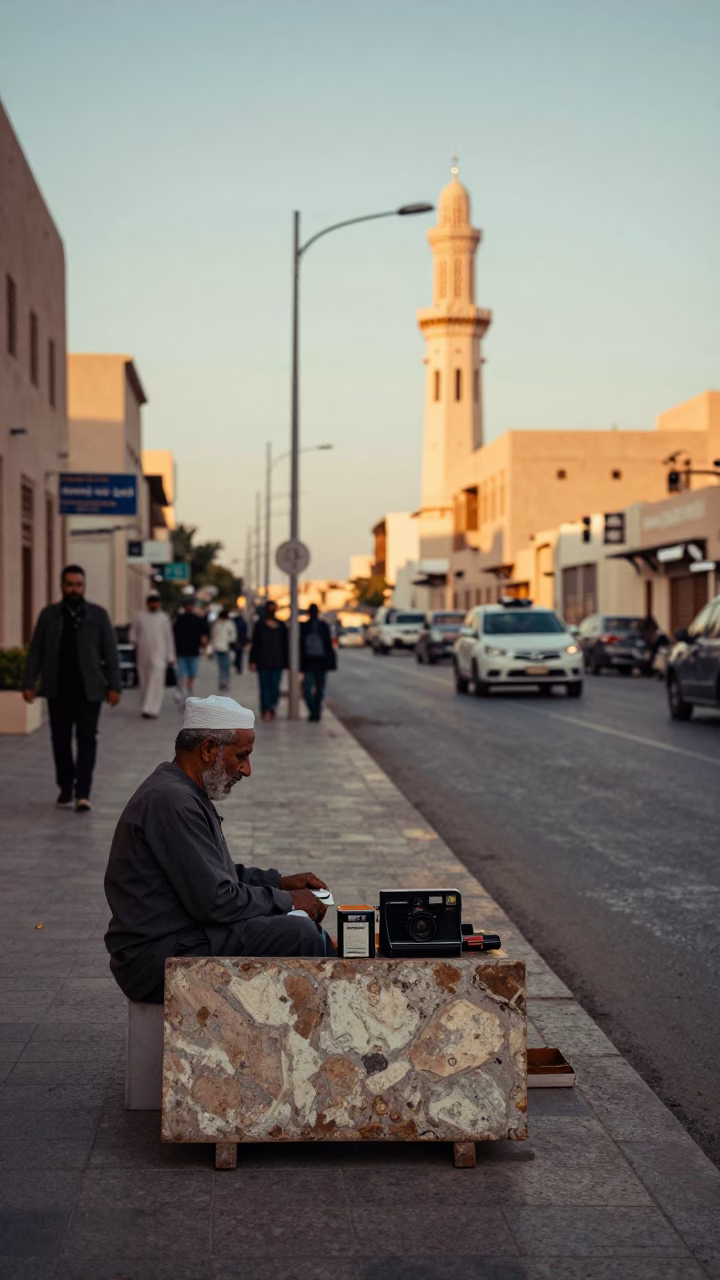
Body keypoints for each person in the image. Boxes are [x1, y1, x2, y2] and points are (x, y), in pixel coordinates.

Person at [104, 694, 334, 1003]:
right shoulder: (172, 802)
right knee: (301, 935)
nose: (246, 769)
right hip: (156, 958)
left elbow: (214, 877)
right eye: (242, 756)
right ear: (209, 749)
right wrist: (288, 900)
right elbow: (215, 900)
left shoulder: (181, 792)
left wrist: (278, 882)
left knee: (296, 929)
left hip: (177, 938)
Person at [22, 564, 121, 811]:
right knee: (60, 741)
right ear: (62, 586)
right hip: (58, 689)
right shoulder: (49, 615)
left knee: (87, 740)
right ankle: (66, 787)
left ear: (84, 586)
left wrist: (114, 686)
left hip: (90, 691)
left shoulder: (97, 616)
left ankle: (83, 792)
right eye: (70, 585)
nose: (74, 589)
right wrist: (29, 683)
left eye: (78, 585)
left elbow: (110, 653)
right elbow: (36, 651)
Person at [132, 593, 176, 719]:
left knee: (156, 681)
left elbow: (169, 638)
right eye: (152, 602)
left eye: (156, 602)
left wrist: (170, 656)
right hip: (143, 654)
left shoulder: (164, 618)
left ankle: (153, 709)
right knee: (145, 681)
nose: (154, 605)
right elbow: (134, 634)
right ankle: (145, 706)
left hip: (160, 655)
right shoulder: (140, 617)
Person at [249, 600, 288, 722]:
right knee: (264, 687)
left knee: (274, 687)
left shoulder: (281, 625)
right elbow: (255, 644)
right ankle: (265, 709)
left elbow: (286, 645)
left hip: (277, 662)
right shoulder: (259, 625)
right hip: (263, 662)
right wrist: (252, 660)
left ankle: (272, 707)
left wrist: (287, 662)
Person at [300, 603, 336, 722]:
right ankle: (315, 711)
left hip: (316, 663)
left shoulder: (308, 626)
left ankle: (315, 712)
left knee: (314, 689)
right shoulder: (315, 626)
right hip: (314, 663)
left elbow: (327, 645)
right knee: (314, 689)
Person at [173, 600, 209, 700]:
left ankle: (189, 691)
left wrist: (204, 641)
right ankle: (182, 691)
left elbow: (205, 633)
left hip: (193, 651)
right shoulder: (180, 620)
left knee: (192, 674)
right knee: (182, 674)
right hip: (182, 651)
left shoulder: (198, 620)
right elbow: (175, 635)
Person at [210, 609, 236, 691]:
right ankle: (222, 682)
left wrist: (230, 641)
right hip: (218, 648)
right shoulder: (217, 624)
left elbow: (233, 635)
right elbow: (213, 635)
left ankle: (225, 682)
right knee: (221, 667)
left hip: (225, 648)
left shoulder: (229, 624)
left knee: (226, 667)